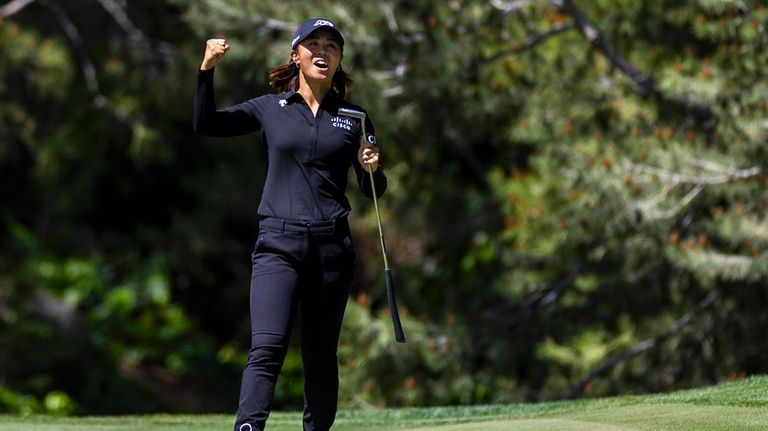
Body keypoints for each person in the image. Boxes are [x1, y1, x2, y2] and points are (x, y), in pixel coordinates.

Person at [193, 17, 386, 431]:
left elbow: (373, 190)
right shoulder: (270, 108)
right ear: (295, 56)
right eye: (312, 43)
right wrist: (206, 69)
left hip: (332, 250)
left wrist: (372, 168)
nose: (322, 51)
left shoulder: (354, 117)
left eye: (331, 46)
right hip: (278, 245)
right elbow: (206, 124)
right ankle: (249, 427)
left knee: (319, 355)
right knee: (267, 348)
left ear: (339, 60)